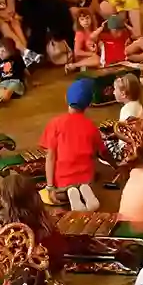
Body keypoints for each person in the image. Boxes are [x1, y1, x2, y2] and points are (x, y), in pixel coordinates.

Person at [42, 78, 105, 211]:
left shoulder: (55, 123)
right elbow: (100, 153)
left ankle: (70, 193)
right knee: (87, 182)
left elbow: (51, 157)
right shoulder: (91, 126)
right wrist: (116, 165)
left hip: (63, 180)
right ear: (89, 104)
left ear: (66, 98)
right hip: (87, 177)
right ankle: (84, 189)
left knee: (54, 195)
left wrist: (50, 186)